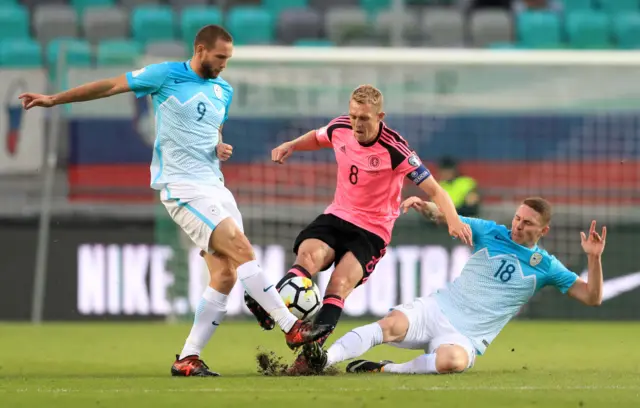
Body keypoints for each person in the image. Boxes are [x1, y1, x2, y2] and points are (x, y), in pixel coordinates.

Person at [19, 25, 332, 377]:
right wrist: (54, 99)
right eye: (220, 57)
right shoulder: (165, 75)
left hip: (215, 185)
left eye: (228, 58)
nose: (224, 64)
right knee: (241, 247)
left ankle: (187, 358)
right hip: (182, 187)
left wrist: (217, 144)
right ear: (200, 49)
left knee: (226, 274)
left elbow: (212, 125)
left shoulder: (223, 90)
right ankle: (290, 325)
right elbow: (109, 86)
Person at [243, 84, 473, 371]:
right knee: (308, 258)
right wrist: (291, 144)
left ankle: (310, 357)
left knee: (338, 285)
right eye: (353, 116)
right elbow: (317, 138)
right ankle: (271, 306)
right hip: (338, 215)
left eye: (364, 118)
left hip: (372, 230)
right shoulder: (341, 127)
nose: (356, 124)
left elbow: (435, 190)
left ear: (380, 116)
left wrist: (453, 220)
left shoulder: (396, 149)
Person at [301, 197, 606, 375]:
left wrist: (594, 259)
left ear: (544, 230)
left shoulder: (546, 266)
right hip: (437, 308)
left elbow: (592, 298)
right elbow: (448, 217)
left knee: (453, 362)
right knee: (390, 325)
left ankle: (385, 369)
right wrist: (426, 205)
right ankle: (326, 359)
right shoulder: (491, 232)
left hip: (466, 335)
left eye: (527, 223)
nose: (518, 225)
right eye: (517, 218)